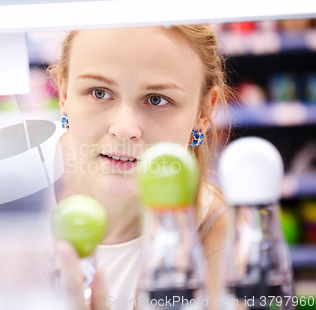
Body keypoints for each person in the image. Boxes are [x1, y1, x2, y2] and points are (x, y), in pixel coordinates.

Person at [45, 25, 235, 310]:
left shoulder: (222, 238)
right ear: (63, 94)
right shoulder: (5, 191)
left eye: (156, 99)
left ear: (203, 112)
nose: (124, 129)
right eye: (99, 92)